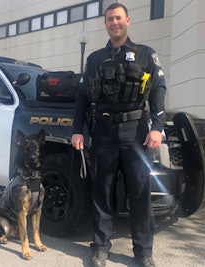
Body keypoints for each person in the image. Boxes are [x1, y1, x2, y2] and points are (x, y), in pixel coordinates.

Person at [71, 3, 166, 267]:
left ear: (128, 21)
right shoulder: (94, 59)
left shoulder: (146, 54)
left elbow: (159, 91)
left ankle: (143, 252)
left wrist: (158, 126)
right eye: (110, 19)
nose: (114, 23)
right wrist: (77, 129)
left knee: (140, 192)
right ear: (106, 24)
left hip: (136, 131)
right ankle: (101, 247)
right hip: (103, 131)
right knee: (102, 190)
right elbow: (81, 98)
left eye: (118, 18)